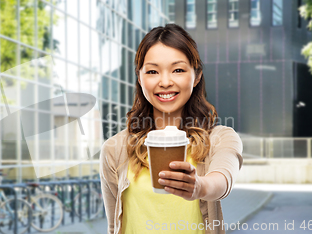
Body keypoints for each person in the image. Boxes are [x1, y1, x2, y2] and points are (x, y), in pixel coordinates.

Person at [99, 24, 243, 234]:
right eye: (152, 71)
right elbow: (114, 226)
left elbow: (222, 181)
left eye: (178, 70)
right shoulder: (115, 149)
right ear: (140, 78)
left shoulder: (220, 139)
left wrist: (199, 187)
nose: (165, 82)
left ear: (197, 75)